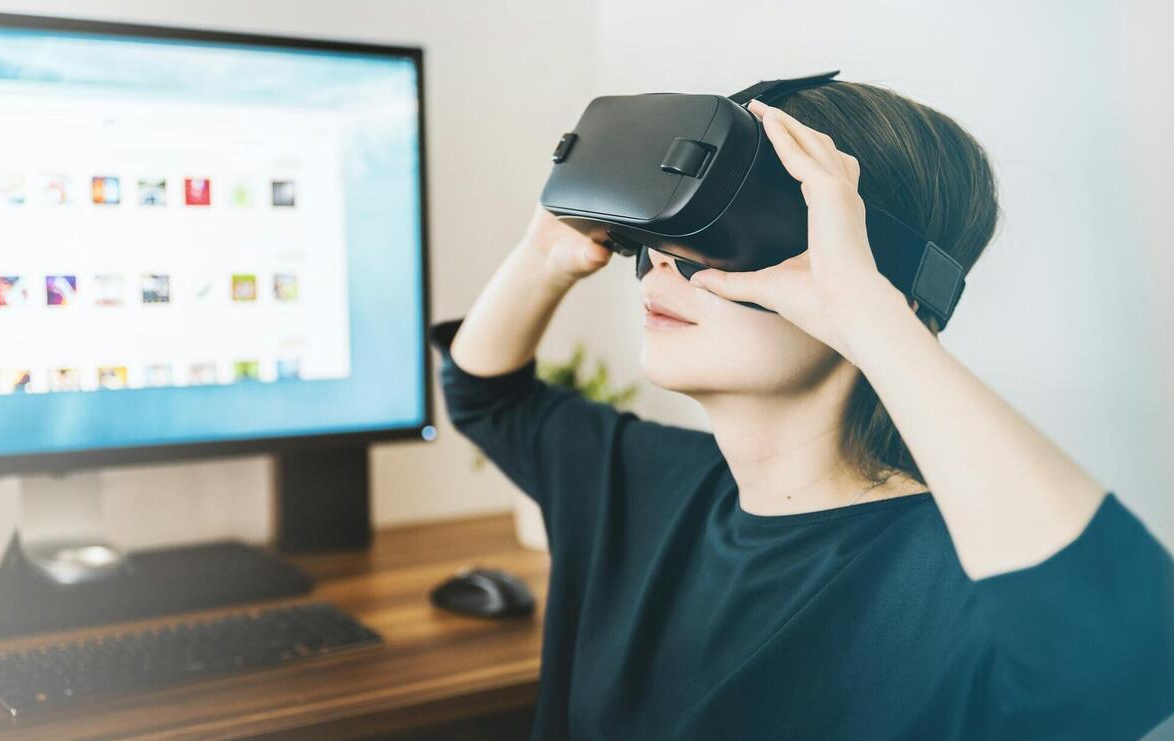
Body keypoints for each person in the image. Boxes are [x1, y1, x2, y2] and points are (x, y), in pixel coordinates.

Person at [427, 81, 1174, 740]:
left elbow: (1132, 656)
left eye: (717, 234)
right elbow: (486, 396)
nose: (662, 259)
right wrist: (545, 250)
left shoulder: (955, 585)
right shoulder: (644, 486)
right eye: (665, 231)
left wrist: (868, 312)